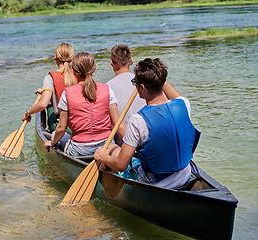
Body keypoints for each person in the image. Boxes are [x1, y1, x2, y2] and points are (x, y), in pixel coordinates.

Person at [94, 58, 200, 189]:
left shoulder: (138, 120)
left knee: (110, 148)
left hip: (157, 182)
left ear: (142, 88)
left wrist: (102, 157)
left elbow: (121, 164)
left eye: (135, 83)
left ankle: (110, 196)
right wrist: (156, 76)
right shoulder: (184, 104)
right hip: (185, 175)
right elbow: (175, 95)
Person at [44, 52, 125, 156]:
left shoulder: (67, 93)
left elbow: (61, 128)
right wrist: (132, 147)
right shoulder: (107, 89)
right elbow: (118, 124)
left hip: (80, 149)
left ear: (73, 71)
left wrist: (53, 142)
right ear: (94, 69)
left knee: (55, 133)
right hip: (106, 145)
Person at [22, 43, 76, 131]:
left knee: (49, 105)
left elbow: (43, 105)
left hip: (64, 125)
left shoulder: (50, 78)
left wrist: (27, 113)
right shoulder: (79, 74)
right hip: (80, 121)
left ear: (56, 57)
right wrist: (45, 91)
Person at [106, 44, 146, 145]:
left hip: (124, 144)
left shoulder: (106, 88)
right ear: (131, 62)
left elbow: (115, 124)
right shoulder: (144, 83)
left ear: (112, 63)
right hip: (147, 139)